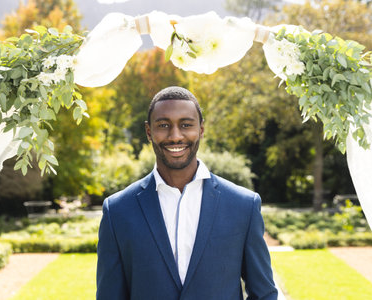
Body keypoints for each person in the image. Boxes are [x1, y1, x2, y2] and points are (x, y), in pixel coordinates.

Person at [96, 86, 278, 300]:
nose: (175, 136)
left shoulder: (243, 206)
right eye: (163, 125)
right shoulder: (117, 211)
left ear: (201, 129)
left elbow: (264, 293)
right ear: (148, 132)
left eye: (186, 125)